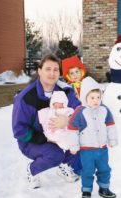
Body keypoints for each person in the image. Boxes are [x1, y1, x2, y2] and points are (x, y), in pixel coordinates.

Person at [12, 54, 81, 189]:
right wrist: (46, 138)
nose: (52, 73)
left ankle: (65, 165)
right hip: (32, 140)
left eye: (56, 69)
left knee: (79, 137)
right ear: (39, 71)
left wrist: (68, 120)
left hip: (62, 133)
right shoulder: (26, 98)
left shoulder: (65, 91)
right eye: (48, 69)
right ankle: (32, 170)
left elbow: (81, 112)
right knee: (55, 154)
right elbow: (19, 130)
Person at [68, 77, 118, 198]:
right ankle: (86, 190)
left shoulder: (104, 110)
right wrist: (74, 146)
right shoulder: (80, 111)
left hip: (102, 149)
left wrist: (112, 139)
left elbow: (110, 126)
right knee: (87, 170)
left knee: (104, 169)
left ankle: (104, 188)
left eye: (98, 97)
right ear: (85, 97)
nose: (96, 100)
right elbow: (72, 129)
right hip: (87, 149)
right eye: (92, 98)